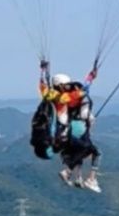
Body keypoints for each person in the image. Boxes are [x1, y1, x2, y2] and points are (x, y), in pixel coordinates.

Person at [38, 59, 101, 192]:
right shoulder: (64, 98)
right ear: (61, 86)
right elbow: (82, 91)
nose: (68, 87)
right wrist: (90, 78)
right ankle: (69, 172)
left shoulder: (50, 95)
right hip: (64, 134)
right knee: (87, 148)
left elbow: (43, 87)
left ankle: (76, 177)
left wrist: (43, 71)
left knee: (82, 149)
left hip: (58, 135)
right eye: (66, 85)